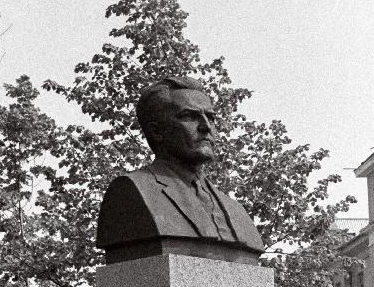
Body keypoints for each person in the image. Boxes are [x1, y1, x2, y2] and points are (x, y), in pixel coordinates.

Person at [97, 76, 264, 264]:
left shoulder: (236, 211)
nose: (206, 127)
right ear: (156, 131)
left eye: (210, 117)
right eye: (188, 116)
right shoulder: (129, 192)